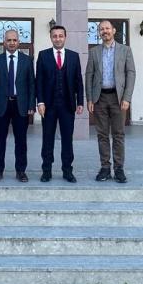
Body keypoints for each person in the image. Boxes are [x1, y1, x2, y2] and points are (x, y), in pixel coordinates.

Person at [85, 19, 137, 183]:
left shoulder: (125, 50)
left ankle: (119, 169)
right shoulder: (94, 52)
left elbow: (131, 74)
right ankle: (105, 168)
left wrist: (127, 98)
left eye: (107, 28)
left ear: (114, 30)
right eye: (101, 29)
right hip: (99, 98)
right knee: (102, 135)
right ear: (99, 33)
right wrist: (90, 98)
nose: (104, 31)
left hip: (118, 98)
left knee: (119, 134)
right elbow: (89, 76)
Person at [35, 25, 85, 183]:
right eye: (54, 36)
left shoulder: (73, 56)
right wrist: (40, 101)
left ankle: (67, 171)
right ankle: (47, 170)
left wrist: (80, 102)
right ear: (51, 38)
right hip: (48, 105)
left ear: (65, 37)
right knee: (47, 138)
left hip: (68, 105)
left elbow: (79, 81)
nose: (57, 38)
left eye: (60, 36)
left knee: (67, 139)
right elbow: (39, 82)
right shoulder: (43, 55)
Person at [0, 29, 35, 182]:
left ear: (18, 42)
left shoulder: (27, 60)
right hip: (1, 105)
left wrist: (31, 105)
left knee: (21, 141)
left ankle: (21, 171)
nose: (12, 43)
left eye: (14, 40)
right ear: (4, 42)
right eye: (9, 40)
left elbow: (31, 85)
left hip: (20, 106)